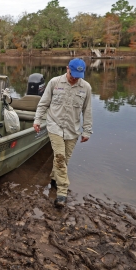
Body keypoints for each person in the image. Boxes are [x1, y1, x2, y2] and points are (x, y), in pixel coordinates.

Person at [33, 58, 93, 208]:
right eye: (72, 74)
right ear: (67, 68)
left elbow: (88, 110)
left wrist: (87, 130)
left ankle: (54, 178)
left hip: (73, 130)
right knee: (59, 157)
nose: (74, 78)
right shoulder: (54, 83)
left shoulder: (86, 87)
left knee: (64, 160)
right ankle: (62, 192)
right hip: (55, 126)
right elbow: (44, 103)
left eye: (78, 76)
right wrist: (37, 120)